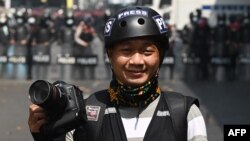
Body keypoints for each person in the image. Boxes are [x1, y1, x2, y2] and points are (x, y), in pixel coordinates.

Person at [28, 6, 207, 141]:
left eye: (147, 51)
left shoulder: (184, 114)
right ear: (110, 56)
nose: (137, 61)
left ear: (160, 56)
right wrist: (45, 134)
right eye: (126, 51)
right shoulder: (87, 113)